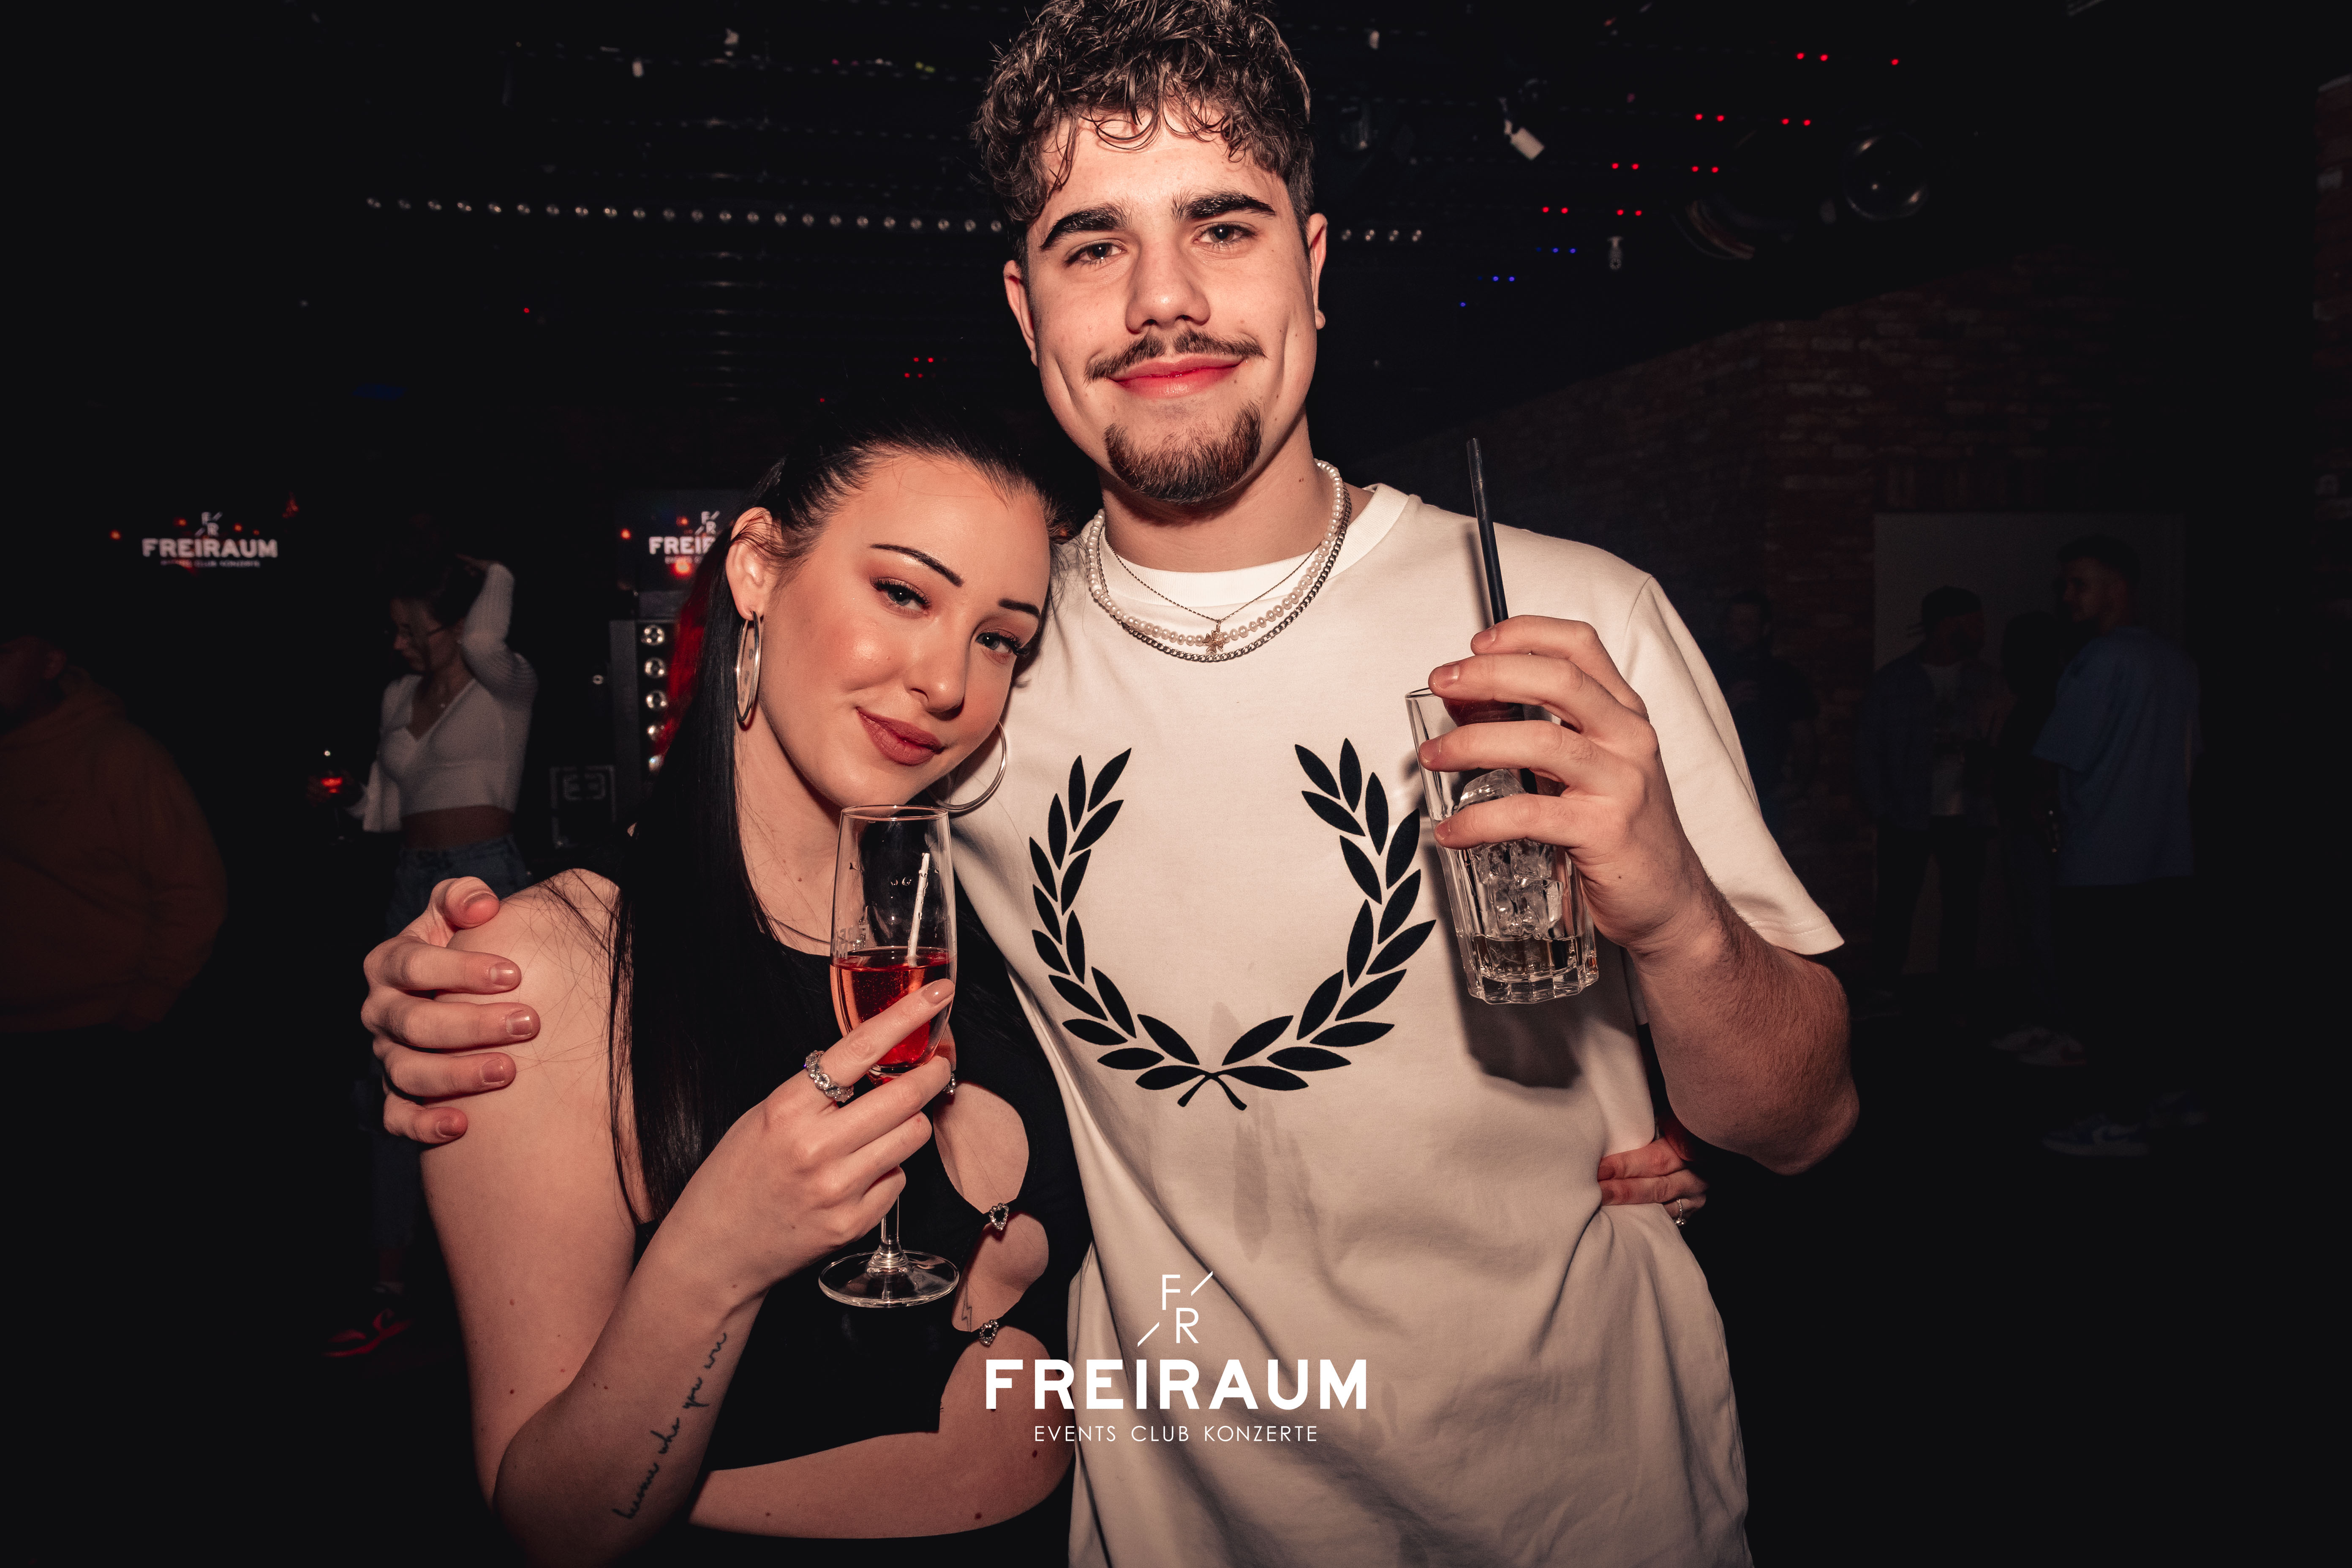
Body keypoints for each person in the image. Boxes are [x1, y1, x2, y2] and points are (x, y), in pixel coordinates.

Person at [359, 4, 1846, 1563]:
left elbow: (1800, 1122)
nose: (1163, 298)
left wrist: (1677, 924)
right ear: (1026, 304)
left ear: (1313, 264)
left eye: (1223, 224)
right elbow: (763, 884)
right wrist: (475, 981)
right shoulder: (990, 669)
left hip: (1587, 1510)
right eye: (1092, 244)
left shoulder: (1564, 617)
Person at [424, 403, 1095, 1559]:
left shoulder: (995, 934)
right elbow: (553, 1527)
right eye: (903, 593)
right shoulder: (552, 967)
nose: (947, 680)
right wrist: (718, 1253)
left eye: (1000, 639)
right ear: (755, 569)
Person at [331, 538, 539, 1347]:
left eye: (412, 627)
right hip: (409, 883)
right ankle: (389, 1285)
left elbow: (486, 633)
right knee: (396, 1074)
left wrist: (486, 566)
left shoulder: (505, 684)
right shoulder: (396, 694)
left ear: (454, 625)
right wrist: (340, 800)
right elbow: (384, 809)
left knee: (497, 1077)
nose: (398, 643)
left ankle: (511, 1282)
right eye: (394, 629)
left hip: (488, 878)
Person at [2031, 536, 2202, 1157]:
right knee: (2156, 989)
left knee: (2104, 998)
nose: (2067, 596)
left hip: (2101, 863)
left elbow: (2056, 757)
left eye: (2080, 584)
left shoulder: (2100, 660)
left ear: (2117, 588)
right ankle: (2168, 1097)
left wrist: (2052, 825)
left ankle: (2121, 1119)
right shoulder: (2177, 661)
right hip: (2168, 859)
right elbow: (2192, 762)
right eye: (2066, 585)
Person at [1, 614, 226, 1040]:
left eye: (3, 653)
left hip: (94, 1021)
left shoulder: (119, 755)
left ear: (50, 663)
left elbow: (193, 892)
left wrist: (145, 1008)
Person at [1855, 585, 2005, 1011]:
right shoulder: (1895, 680)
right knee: (1896, 903)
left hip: (1967, 814)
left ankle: (1956, 991)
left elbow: (2002, 744)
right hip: (1906, 813)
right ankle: (1886, 986)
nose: (1981, 630)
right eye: (1972, 621)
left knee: (1963, 906)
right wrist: (1881, 809)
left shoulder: (1986, 679)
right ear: (1946, 624)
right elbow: (1868, 748)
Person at [1985, 610, 2082, 1062]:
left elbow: (2042, 772)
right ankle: (2047, 1019)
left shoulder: (2052, 700)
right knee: (2033, 927)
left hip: (2039, 830)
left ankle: (2062, 1025)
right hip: (2024, 825)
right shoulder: (2031, 701)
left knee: (2045, 929)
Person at [1706, 588, 1819, 844]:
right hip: (1712, 793)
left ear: (1764, 629)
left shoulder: (1783, 677)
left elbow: (1804, 738)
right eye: (1730, 622)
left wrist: (1799, 785)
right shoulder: (1706, 670)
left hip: (1764, 798)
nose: (1734, 631)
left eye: (1745, 624)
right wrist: (1726, 704)